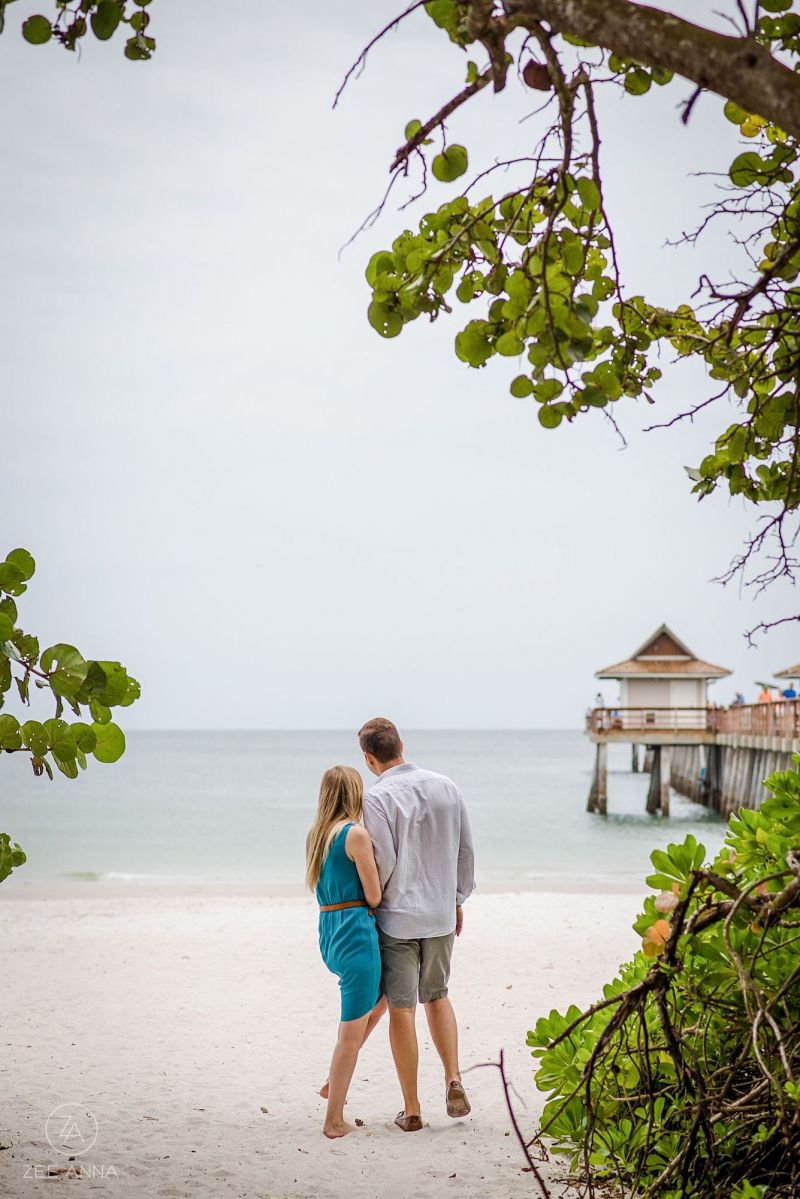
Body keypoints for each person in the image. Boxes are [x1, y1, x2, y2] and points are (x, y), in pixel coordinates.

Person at [358, 717, 476, 1133]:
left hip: (399, 917)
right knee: (438, 997)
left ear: (369, 758)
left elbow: (385, 861)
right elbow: (465, 849)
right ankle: (454, 1078)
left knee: (403, 1009)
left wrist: (374, 901)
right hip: (441, 913)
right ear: (401, 744)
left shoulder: (377, 797)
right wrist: (458, 898)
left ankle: (411, 1109)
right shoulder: (447, 785)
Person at [306, 765, 387, 1138]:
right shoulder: (356, 835)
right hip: (356, 934)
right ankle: (333, 1120)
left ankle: (331, 1081)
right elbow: (374, 896)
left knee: (385, 996)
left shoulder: (318, 835)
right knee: (350, 1034)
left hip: (330, 931)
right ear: (355, 794)